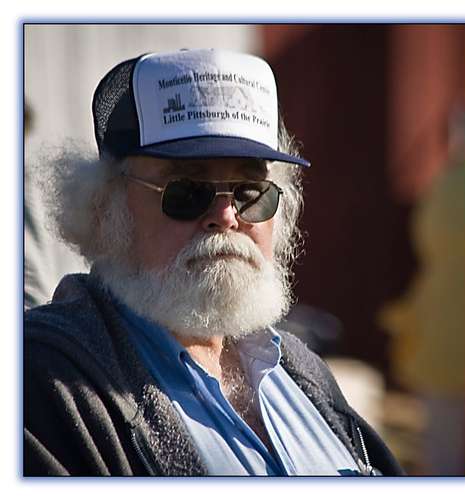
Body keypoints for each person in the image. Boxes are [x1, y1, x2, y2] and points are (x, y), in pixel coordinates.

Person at [24, 48, 403, 476]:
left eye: (250, 191)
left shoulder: (302, 369)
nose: (226, 216)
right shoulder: (42, 380)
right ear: (106, 209)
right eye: (186, 190)